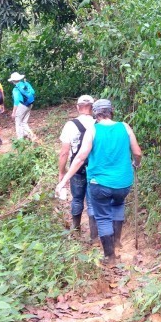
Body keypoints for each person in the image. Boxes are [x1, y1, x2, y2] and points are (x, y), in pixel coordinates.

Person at [56, 99, 142, 266]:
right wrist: (136, 164)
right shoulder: (125, 127)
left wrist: (64, 180)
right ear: (112, 111)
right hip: (123, 182)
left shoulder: (92, 130)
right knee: (118, 206)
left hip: (99, 183)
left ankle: (109, 257)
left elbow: (81, 157)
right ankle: (116, 242)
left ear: (95, 113)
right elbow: (137, 153)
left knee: (102, 217)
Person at [58, 95, 98, 242]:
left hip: (77, 168)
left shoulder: (70, 125)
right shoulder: (98, 123)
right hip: (95, 168)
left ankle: (76, 230)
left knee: (77, 199)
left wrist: (62, 172)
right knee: (92, 202)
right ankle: (95, 236)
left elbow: (64, 153)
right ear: (92, 108)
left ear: (77, 107)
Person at [8, 72, 38, 142]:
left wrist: (13, 112)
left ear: (13, 81)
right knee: (24, 122)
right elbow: (33, 92)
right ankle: (30, 136)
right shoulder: (26, 83)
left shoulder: (16, 89)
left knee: (18, 122)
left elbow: (16, 101)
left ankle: (20, 140)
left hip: (22, 106)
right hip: (30, 104)